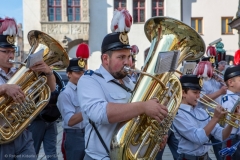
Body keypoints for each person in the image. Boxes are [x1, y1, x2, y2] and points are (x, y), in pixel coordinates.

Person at [77, 9, 168, 160]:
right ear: (105, 59)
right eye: (121, 57)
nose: (128, 62)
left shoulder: (130, 83)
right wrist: (144, 106)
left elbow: (138, 119)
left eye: (129, 57)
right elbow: (99, 113)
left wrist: (156, 134)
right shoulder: (89, 80)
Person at [0, 17, 56, 160]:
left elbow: (50, 89)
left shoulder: (20, 71)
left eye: (13, 50)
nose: (11, 55)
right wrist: (5, 88)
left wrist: (48, 72)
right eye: (5, 51)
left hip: (23, 135)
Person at [173, 74, 237, 160]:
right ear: (183, 93)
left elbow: (222, 135)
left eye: (199, 92)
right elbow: (199, 138)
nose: (198, 96)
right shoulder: (178, 115)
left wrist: (232, 120)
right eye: (195, 92)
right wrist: (215, 118)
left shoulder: (201, 111)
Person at [196, 58, 227, 160]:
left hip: (219, 115)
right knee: (202, 145)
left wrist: (222, 81)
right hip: (205, 117)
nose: (214, 68)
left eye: (214, 66)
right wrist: (219, 92)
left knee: (220, 146)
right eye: (212, 66)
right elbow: (201, 99)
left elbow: (228, 89)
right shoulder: (201, 80)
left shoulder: (216, 78)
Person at [57, 58, 88, 160]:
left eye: (83, 72)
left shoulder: (84, 90)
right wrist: (89, 109)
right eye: (78, 73)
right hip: (74, 136)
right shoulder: (65, 93)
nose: (82, 76)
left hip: (87, 132)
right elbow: (70, 121)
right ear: (69, 74)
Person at [221, 65, 240, 160]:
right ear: (230, 82)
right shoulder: (227, 99)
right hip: (232, 137)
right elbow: (230, 120)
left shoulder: (236, 97)